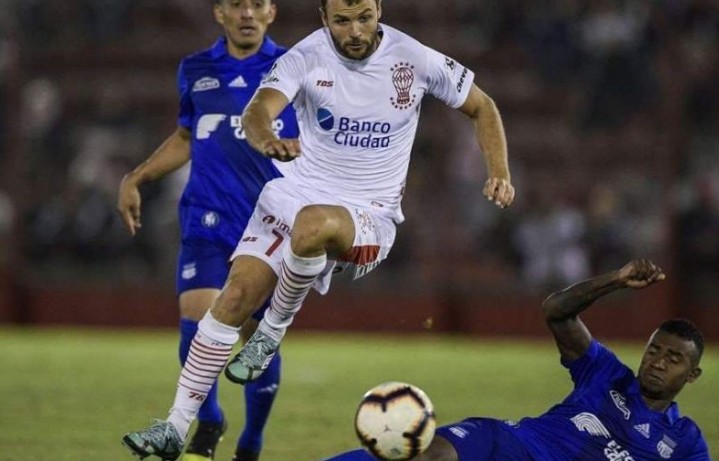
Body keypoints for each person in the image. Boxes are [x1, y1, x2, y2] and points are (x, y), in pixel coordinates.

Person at [122, 0, 515, 459]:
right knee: (232, 298)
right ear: (323, 17)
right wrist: (265, 136)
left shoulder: (414, 58)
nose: (354, 30)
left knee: (312, 226)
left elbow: (482, 106)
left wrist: (499, 171)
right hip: (294, 196)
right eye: (342, 20)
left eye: (365, 17)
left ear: (379, 10)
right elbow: (256, 112)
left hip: (369, 213)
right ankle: (174, 425)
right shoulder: (305, 57)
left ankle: (270, 332)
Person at [117, 2, 298, 461]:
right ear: (219, 12)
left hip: (269, 221)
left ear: (272, 12)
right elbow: (185, 137)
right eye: (237, 3)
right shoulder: (195, 69)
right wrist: (137, 177)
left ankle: (252, 441)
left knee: (257, 337)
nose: (248, 13)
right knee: (196, 320)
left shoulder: (293, 68)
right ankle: (210, 417)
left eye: (258, 3)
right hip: (207, 215)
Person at [323, 259, 711, 461]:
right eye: (654, 350)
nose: (658, 362)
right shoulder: (606, 373)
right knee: (430, 454)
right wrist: (615, 280)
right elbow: (557, 311)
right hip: (513, 445)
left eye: (673, 358)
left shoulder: (684, 441)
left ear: (692, 375)